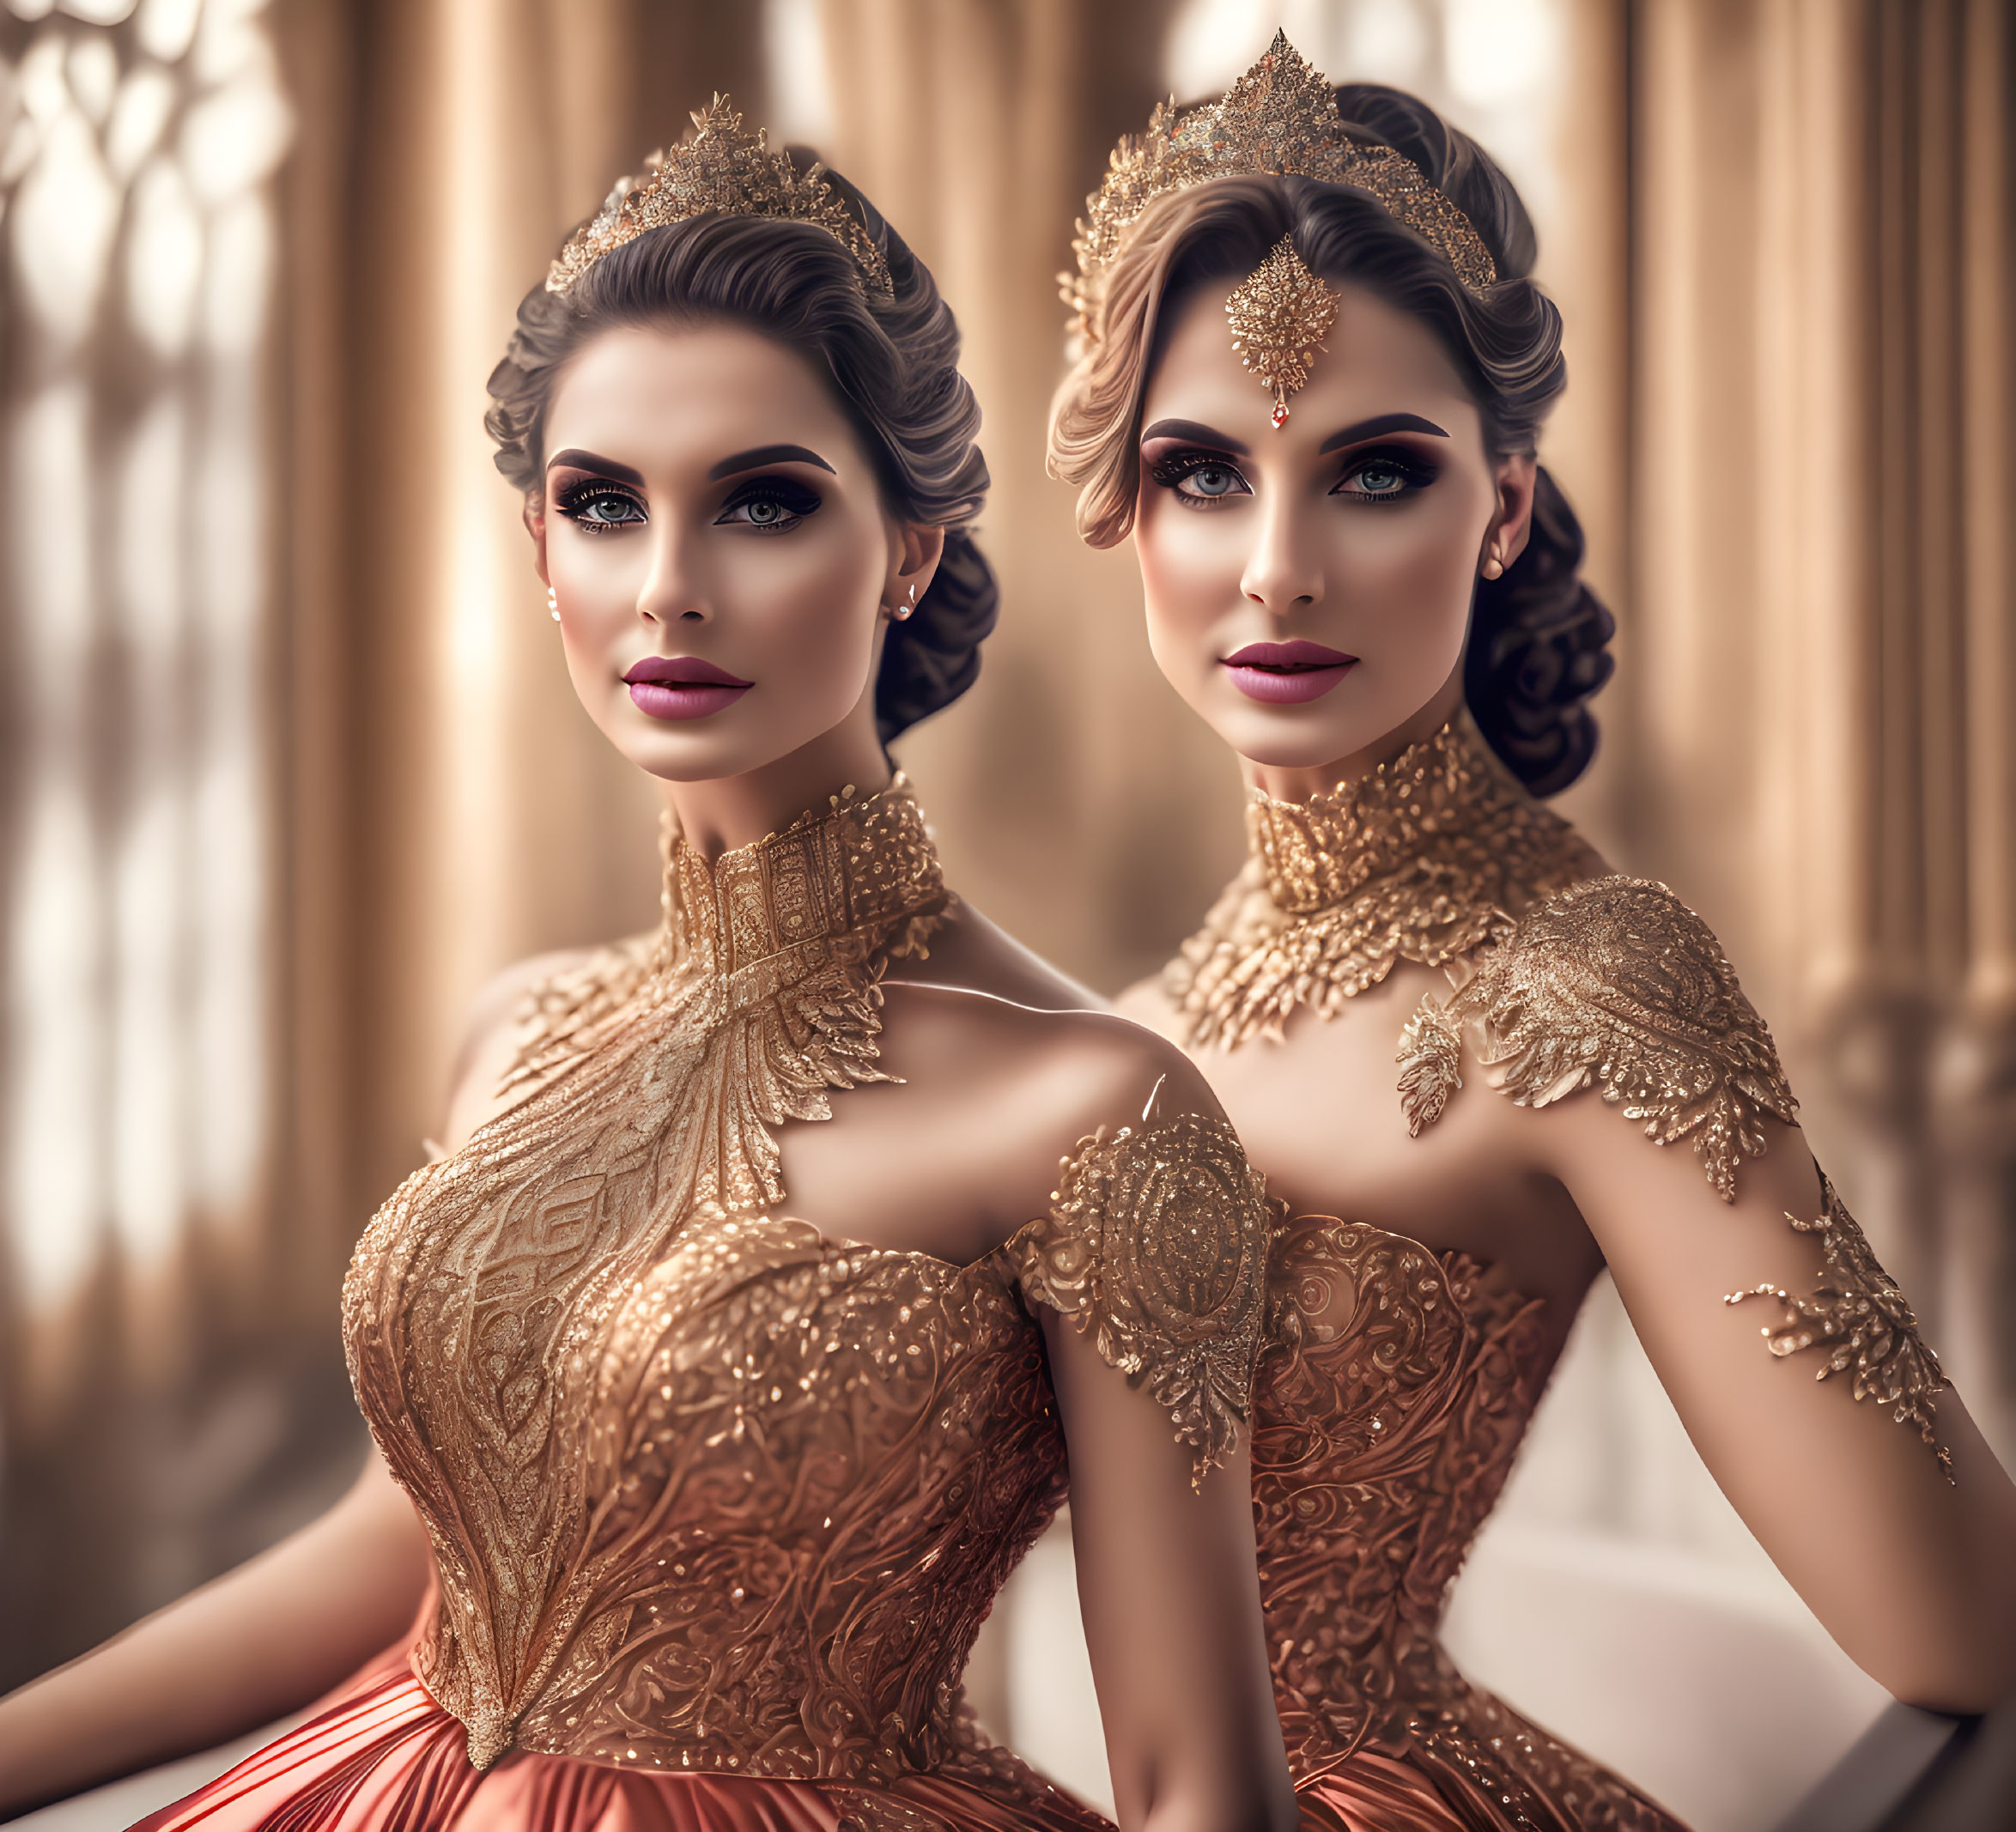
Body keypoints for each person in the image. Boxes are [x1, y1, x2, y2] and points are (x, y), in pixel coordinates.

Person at [0, 100, 1298, 1832]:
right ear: (542, 551)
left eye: (760, 504)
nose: (667, 589)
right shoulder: (518, 1029)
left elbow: (1203, 1779)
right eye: (604, 505)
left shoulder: (1096, 1107)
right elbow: (397, 1563)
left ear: (907, 547)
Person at [1047, 34, 2016, 1830]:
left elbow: (1965, 1625)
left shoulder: (1582, 982)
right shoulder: (1142, 1005)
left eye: (1374, 469)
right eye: (1201, 471)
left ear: (1498, 507)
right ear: (1121, 507)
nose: (1275, 563)